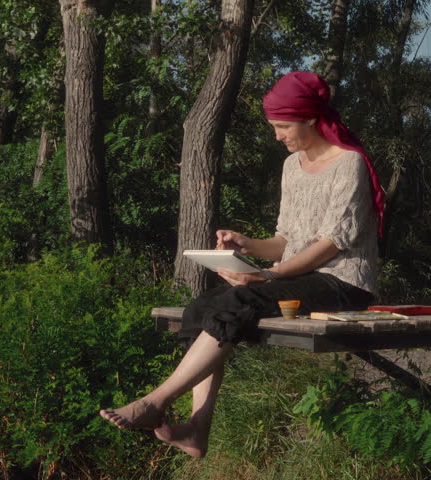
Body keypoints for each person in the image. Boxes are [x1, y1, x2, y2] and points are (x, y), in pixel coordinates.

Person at [99, 71, 384, 458]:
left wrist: (269, 275)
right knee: (201, 307)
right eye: (274, 126)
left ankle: (155, 401)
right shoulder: (292, 167)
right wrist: (246, 243)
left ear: (311, 118)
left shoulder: (348, 164)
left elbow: (332, 244)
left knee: (239, 301)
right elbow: (285, 241)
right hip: (297, 277)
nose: (277, 135)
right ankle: (197, 430)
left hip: (342, 284)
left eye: (283, 126)